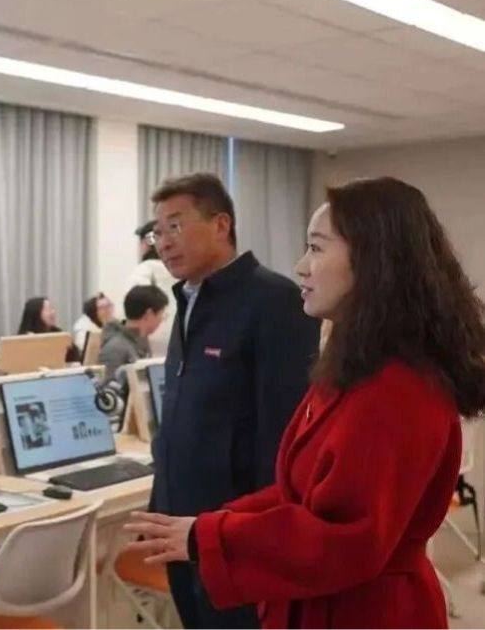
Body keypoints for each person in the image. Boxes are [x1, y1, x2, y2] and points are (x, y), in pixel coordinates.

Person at [125, 176, 485, 628]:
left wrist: (214, 534)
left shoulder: (399, 387)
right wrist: (210, 526)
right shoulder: (354, 366)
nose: (301, 266)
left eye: (316, 248)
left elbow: (345, 536)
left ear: (374, 260)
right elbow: (300, 489)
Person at [144, 173, 320, 628]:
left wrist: (260, 535)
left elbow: (283, 434)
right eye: (157, 232)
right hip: (179, 525)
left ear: (221, 224)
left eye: (175, 225)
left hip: (235, 532)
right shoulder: (188, 301)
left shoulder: (276, 301)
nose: (164, 243)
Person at [99, 285, 168, 394]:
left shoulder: (141, 341)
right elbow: (108, 396)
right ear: (149, 314)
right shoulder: (115, 348)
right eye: (161, 314)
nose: (161, 320)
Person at [126, 220, 178, 358]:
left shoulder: (144, 270)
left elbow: (135, 305)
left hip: (152, 339)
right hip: (178, 337)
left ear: (147, 243)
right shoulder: (178, 269)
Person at [17, 296, 81, 363]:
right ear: (36, 314)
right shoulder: (24, 339)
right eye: (48, 309)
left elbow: (76, 358)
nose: (53, 312)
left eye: (52, 308)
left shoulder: (58, 333)